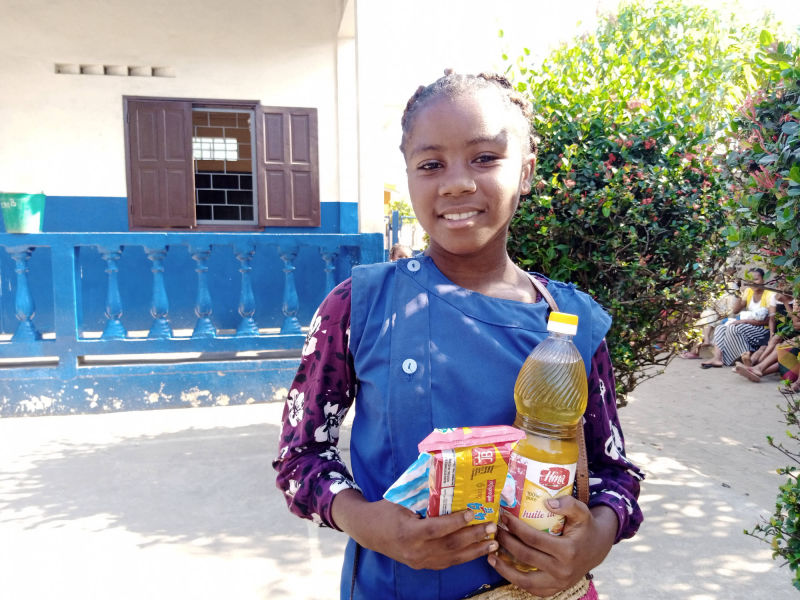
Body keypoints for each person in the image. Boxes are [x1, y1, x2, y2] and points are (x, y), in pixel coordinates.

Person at [273, 71, 643, 600]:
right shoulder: (359, 307)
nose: (456, 183)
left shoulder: (571, 321)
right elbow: (300, 456)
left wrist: (595, 539)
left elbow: (613, 472)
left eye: (484, 158)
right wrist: (369, 523)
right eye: (431, 164)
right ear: (408, 175)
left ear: (526, 171)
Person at [700, 268, 777, 368]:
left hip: (762, 329)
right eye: (750, 280)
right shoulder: (748, 291)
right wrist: (741, 294)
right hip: (748, 326)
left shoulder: (770, 295)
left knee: (733, 328)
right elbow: (736, 310)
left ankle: (746, 356)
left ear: (763, 280)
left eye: (756, 279)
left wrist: (744, 321)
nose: (753, 283)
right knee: (720, 327)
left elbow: (769, 320)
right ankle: (717, 358)